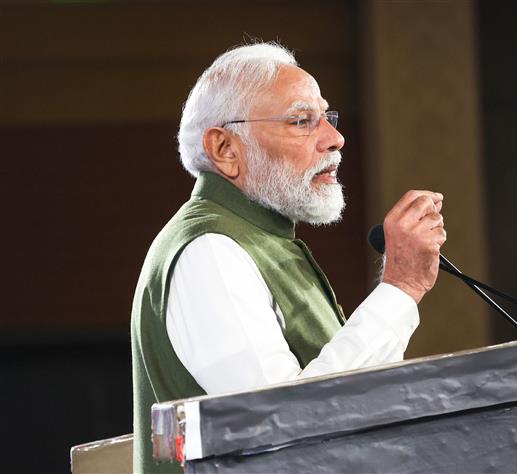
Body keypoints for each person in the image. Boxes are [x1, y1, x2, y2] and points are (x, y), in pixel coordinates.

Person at [130, 42, 446, 473]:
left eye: (327, 118)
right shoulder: (210, 252)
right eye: (302, 121)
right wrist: (400, 288)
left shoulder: (263, 239)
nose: (335, 139)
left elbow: (355, 406)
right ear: (225, 148)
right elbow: (284, 426)